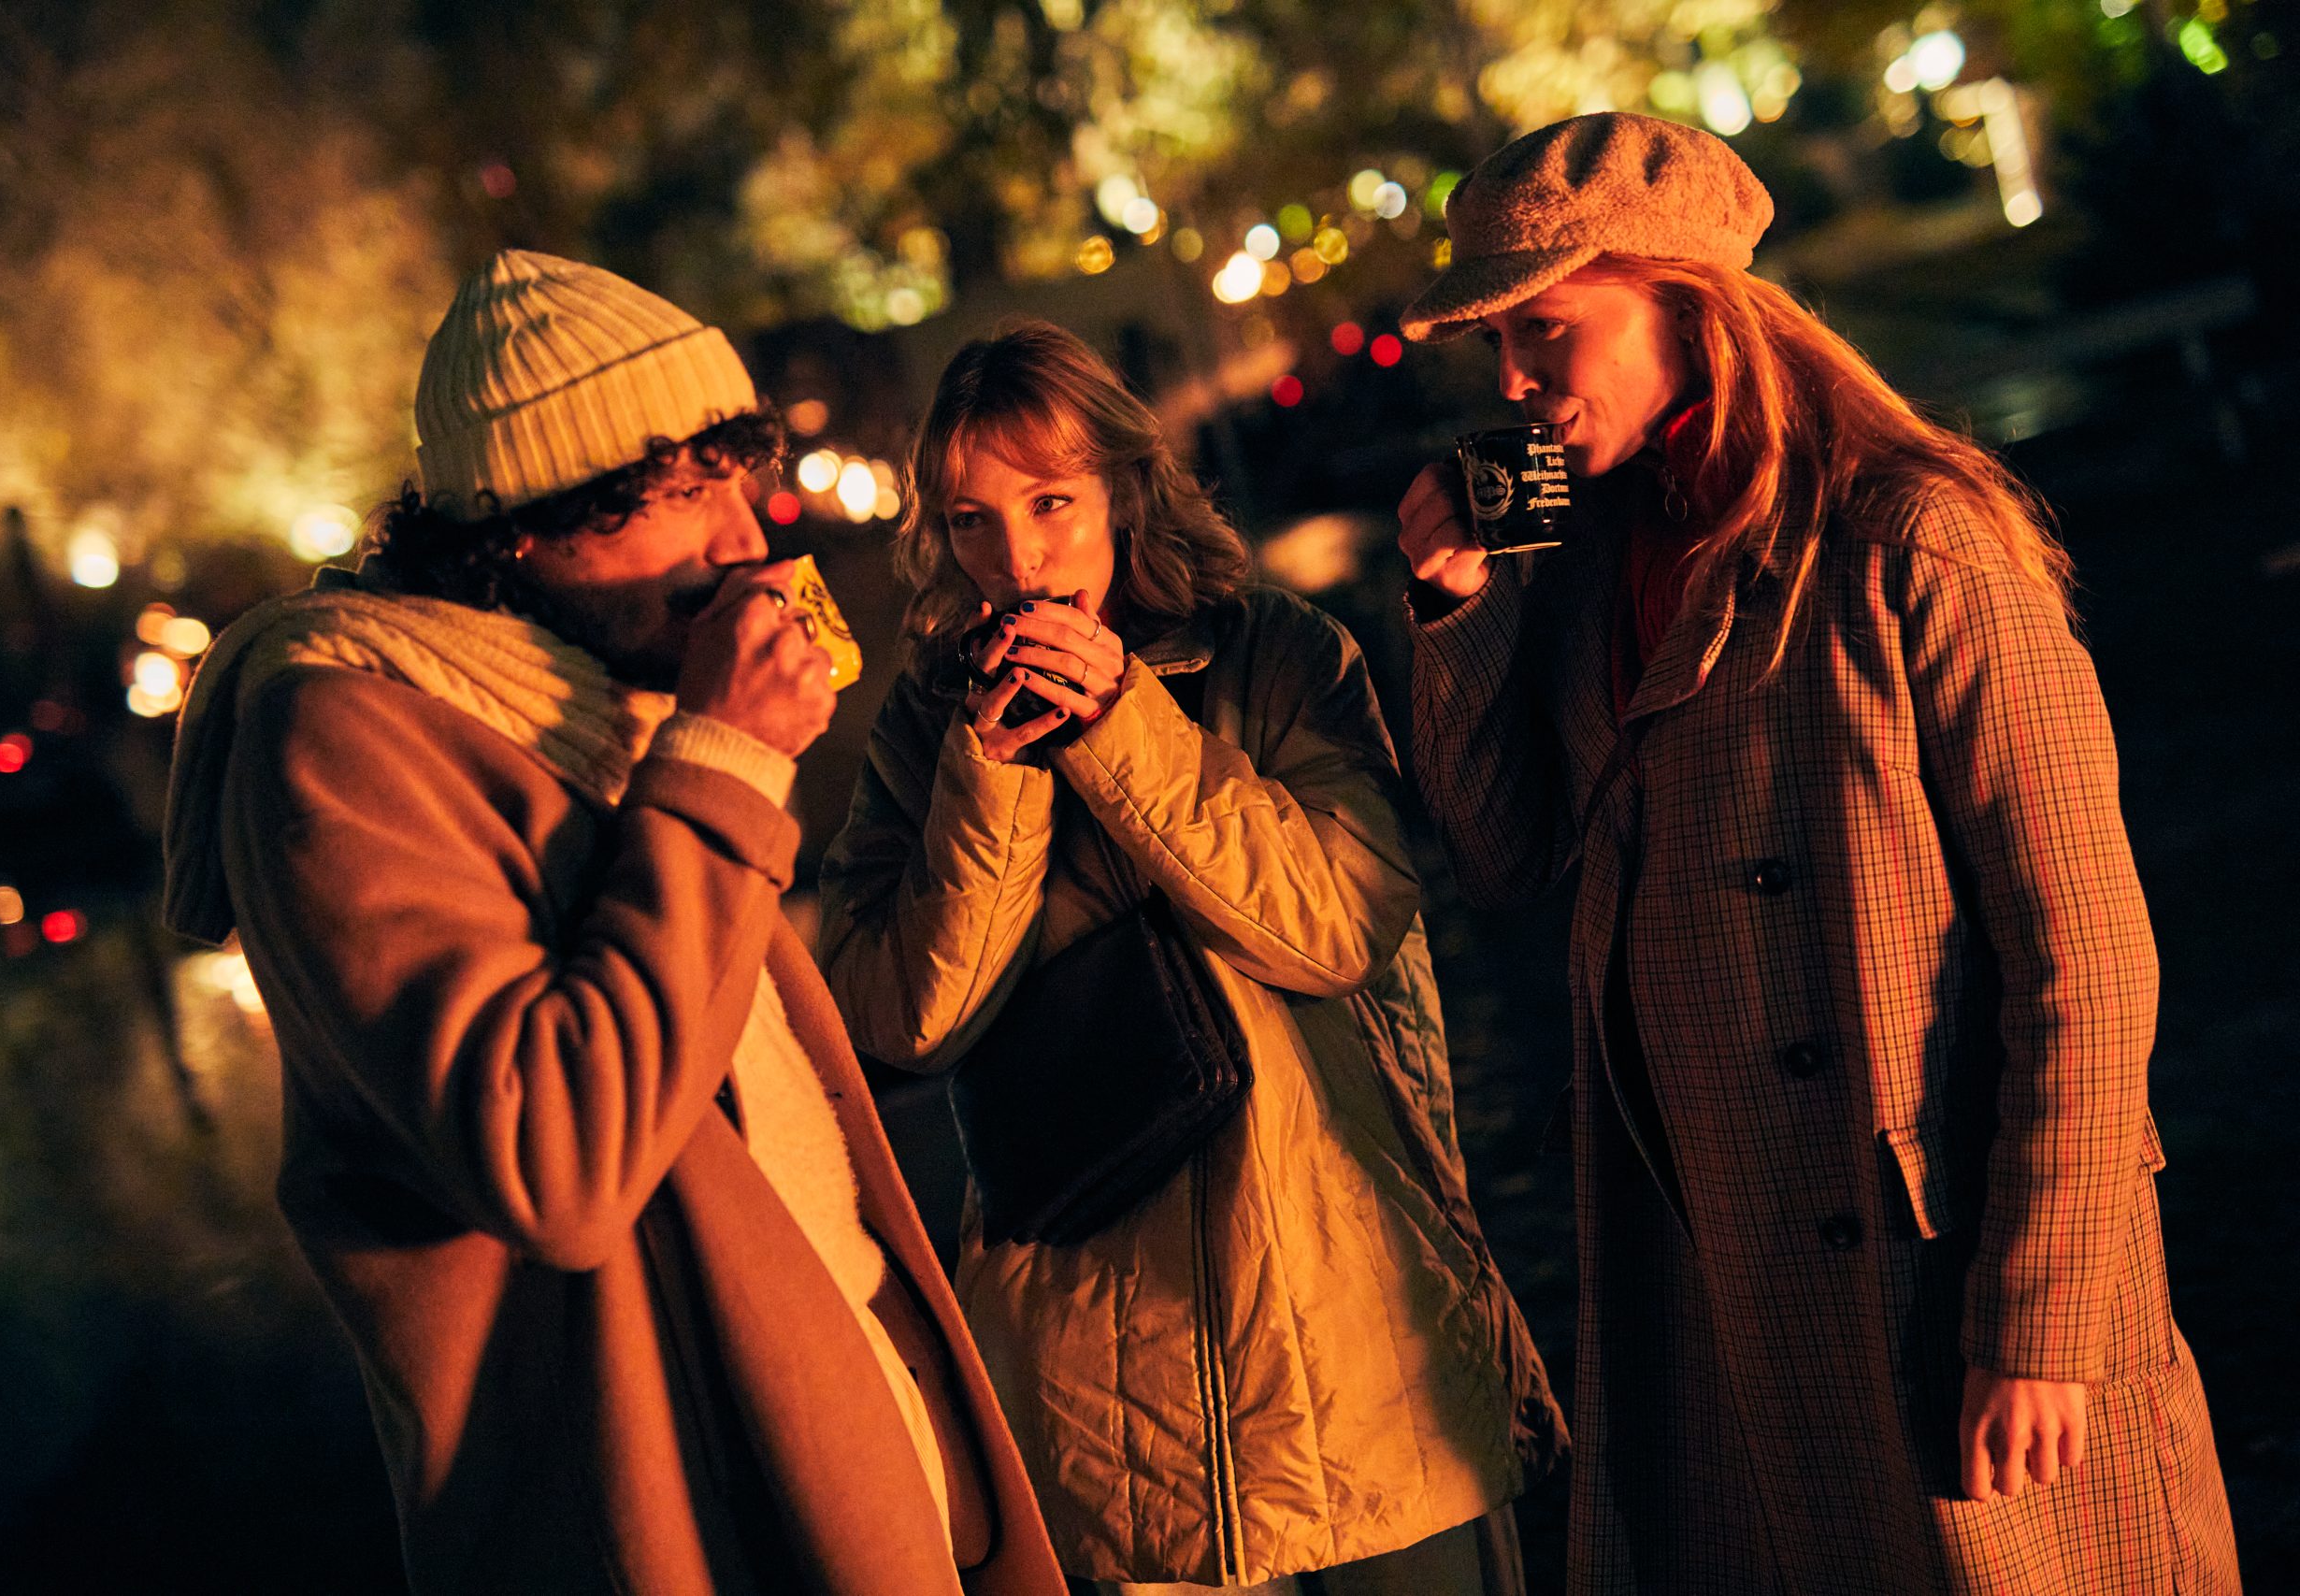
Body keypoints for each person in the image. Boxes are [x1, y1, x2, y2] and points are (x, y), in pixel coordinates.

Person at [1396, 113, 2241, 1593]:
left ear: (1687, 302)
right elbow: (1510, 857)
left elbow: (2088, 951)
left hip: (1941, 1279)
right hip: (1717, 1291)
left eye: (1546, 330)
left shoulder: (1916, 541)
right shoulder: (1587, 555)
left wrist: (2036, 1324)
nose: (1515, 384)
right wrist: (1464, 611)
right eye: (1496, 348)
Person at [162, 250, 1066, 1596]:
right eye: (676, 496)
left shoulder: (588, 706)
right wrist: (727, 762)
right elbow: (557, 1166)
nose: (741, 541)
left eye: (733, 480)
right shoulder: (343, 743)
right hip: (679, 1524)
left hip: (857, 1464)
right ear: (519, 529)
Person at [816, 322, 1566, 1596]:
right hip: (1113, 1416)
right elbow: (902, 1025)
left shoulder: (1274, 653)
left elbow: (1336, 927)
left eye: (1050, 501)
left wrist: (1123, 724)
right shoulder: (925, 729)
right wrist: (988, 780)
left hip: (1365, 1358)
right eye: (972, 521)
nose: (1019, 557)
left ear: (1120, 480)